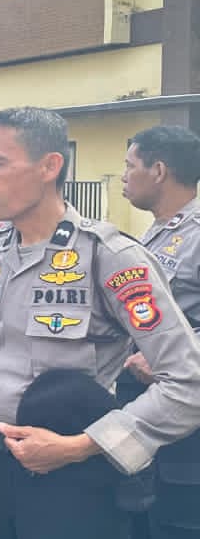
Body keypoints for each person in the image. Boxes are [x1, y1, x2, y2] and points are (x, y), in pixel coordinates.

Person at [0, 107, 200, 539]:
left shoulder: (109, 256)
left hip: (71, 484)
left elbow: (189, 383)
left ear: (49, 167)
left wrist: (83, 446)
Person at [120, 124, 200, 539]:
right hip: (146, 400)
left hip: (185, 415)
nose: (123, 176)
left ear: (159, 171)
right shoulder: (158, 231)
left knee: (178, 521)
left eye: (130, 165)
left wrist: (170, 358)